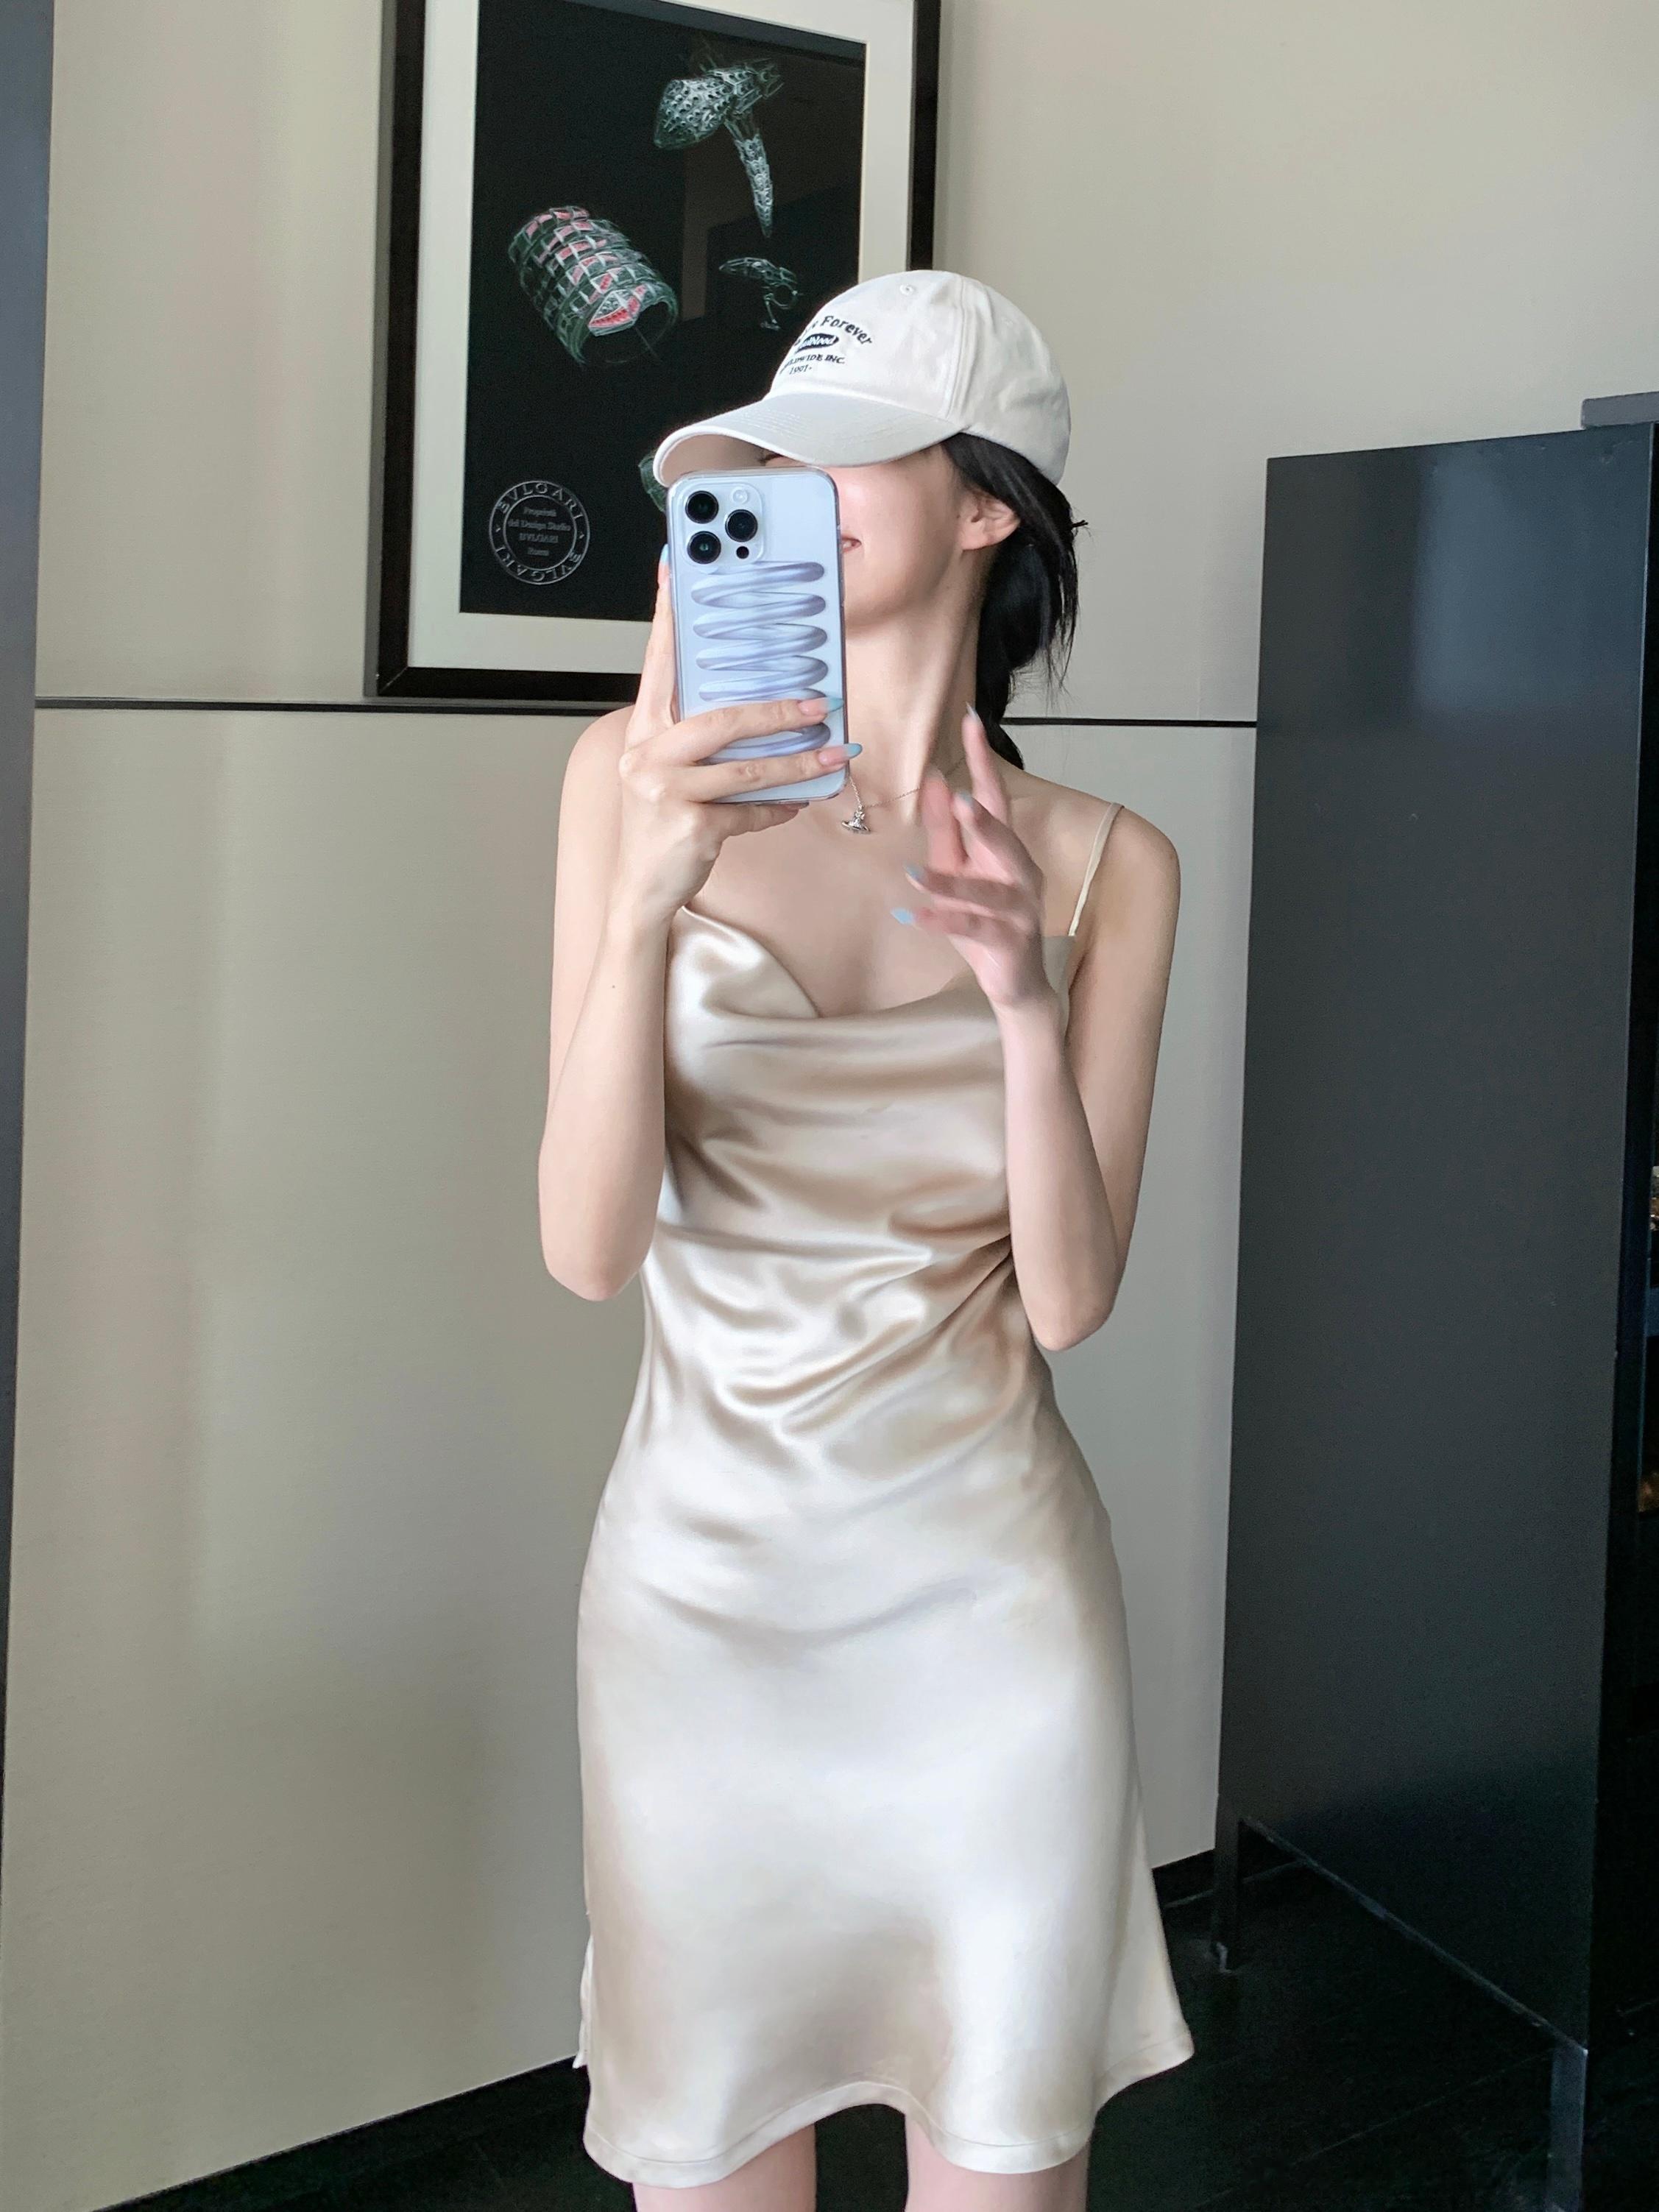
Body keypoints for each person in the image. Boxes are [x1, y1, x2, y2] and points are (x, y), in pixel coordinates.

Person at [540, 269, 1193, 2212]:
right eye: (764, 465)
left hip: (989, 1622)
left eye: (845, 461)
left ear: (986, 505)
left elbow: (1069, 1301)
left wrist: (1019, 1007)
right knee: (708, 2158)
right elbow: (585, 1249)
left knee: (1004, 2157)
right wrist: (648, 898)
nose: (785, 498)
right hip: (700, 1612)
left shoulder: (1107, 863)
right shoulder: (625, 784)